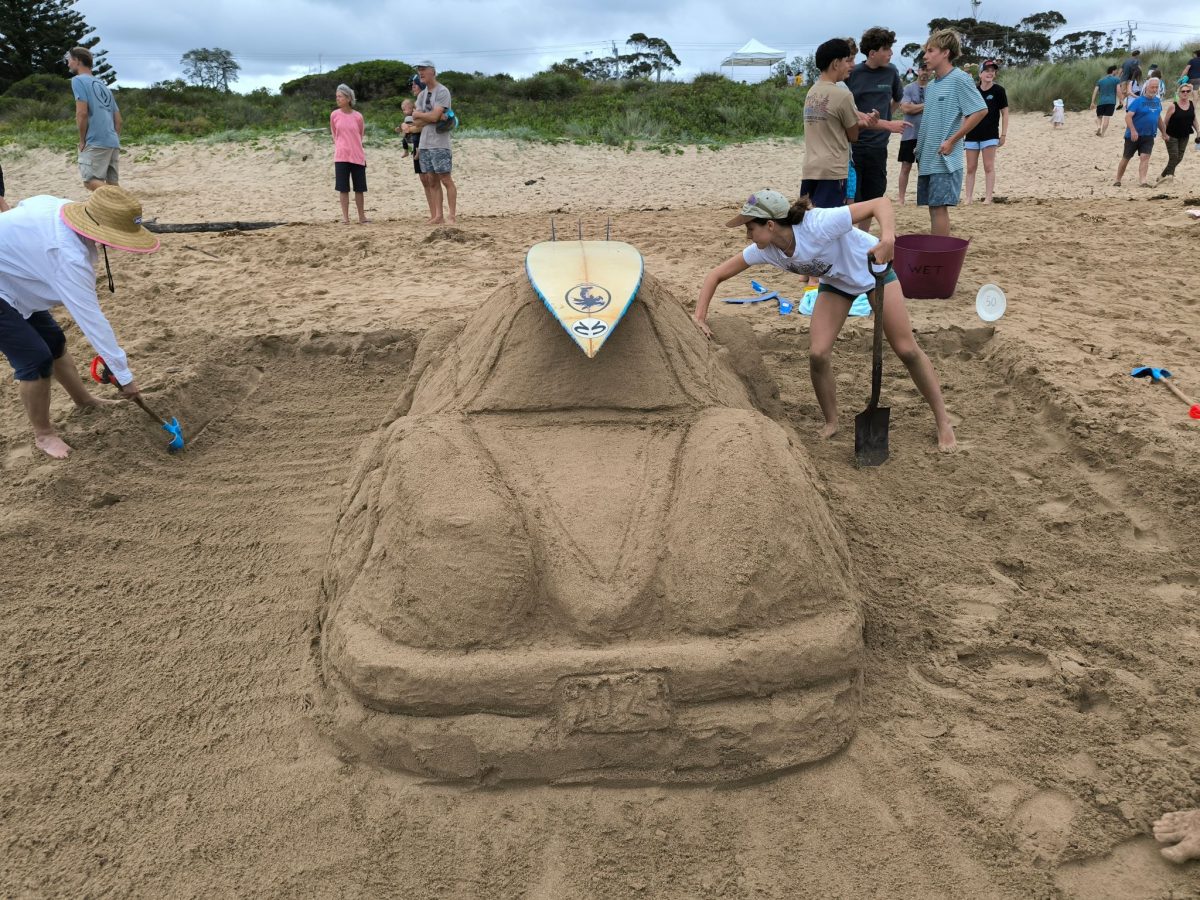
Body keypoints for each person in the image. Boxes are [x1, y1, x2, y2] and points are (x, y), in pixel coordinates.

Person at [693, 189, 956, 451]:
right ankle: (832, 421)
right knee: (818, 354)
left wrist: (887, 238)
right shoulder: (766, 250)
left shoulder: (818, 224)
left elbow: (880, 203)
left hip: (873, 272)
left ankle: (943, 422)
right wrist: (699, 318)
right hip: (837, 284)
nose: (747, 235)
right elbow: (716, 275)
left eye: (750, 228)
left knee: (906, 349)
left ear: (770, 225)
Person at [0, 186, 158, 459]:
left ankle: (84, 401)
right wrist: (124, 376)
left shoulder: (59, 205)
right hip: (7, 284)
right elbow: (91, 320)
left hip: (15, 278)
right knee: (35, 359)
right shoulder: (66, 256)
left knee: (54, 342)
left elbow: (24, 208)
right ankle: (44, 434)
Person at [914, 29, 987, 236]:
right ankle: (938, 253)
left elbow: (980, 110)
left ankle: (939, 255)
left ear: (945, 53)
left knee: (939, 208)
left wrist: (953, 140)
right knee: (932, 207)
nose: (925, 56)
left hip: (945, 159)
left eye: (930, 51)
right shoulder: (931, 86)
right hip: (928, 157)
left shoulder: (959, 79)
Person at [801, 39, 864, 211]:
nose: (849, 65)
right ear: (836, 63)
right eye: (846, 61)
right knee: (831, 224)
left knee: (810, 220)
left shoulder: (811, 92)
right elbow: (854, 135)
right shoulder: (843, 95)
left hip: (811, 167)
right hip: (833, 170)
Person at [846, 26, 906, 203]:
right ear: (872, 53)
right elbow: (845, 108)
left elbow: (897, 99)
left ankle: (864, 232)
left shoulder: (891, 72)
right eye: (886, 49)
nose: (891, 53)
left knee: (874, 197)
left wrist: (885, 120)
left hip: (879, 146)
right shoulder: (852, 73)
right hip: (854, 146)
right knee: (853, 197)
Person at [66, 46, 121, 191]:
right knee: (112, 185)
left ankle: (127, 207)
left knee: (90, 181)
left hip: (95, 141)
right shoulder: (104, 86)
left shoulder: (78, 80)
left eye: (69, 60)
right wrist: (113, 138)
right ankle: (125, 211)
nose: (68, 64)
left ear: (77, 60)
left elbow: (81, 113)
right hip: (112, 141)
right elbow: (118, 119)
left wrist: (82, 140)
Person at [410, 61, 457, 225]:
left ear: (433, 72)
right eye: (418, 70)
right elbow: (418, 121)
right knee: (431, 180)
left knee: (445, 178)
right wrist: (426, 116)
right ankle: (438, 216)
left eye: (423, 70)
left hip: (440, 142)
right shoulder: (421, 95)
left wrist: (422, 115)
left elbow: (432, 117)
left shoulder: (442, 91)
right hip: (424, 143)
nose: (420, 73)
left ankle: (451, 215)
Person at [963, 60, 1009, 204]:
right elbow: (966, 114)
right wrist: (961, 133)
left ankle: (988, 197)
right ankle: (968, 198)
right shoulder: (973, 90)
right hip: (972, 134)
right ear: (980, 74)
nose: (990, 73)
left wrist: (1003, 134)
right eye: (987, 70)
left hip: (990, 134)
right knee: (970, 168)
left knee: (988, 166)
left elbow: (1005, 113)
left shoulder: (999, 91)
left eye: (992, 71)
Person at [1114, 77, 1163, 187]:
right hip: (1133, 135)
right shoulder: (1138, 101)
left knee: (1145, 157)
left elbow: (1158, 118)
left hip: (1149, 135)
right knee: (1126, 158)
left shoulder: (1157, 101)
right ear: (1146, 87)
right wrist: (1133, 130)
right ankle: (1118, 179)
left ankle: (1143, 181)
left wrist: (1164, 132)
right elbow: (1128, 117)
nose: (1154, 89)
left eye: (1156, 87)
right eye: (1152, 87)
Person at [330, 84, 368, 225]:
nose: (337, 99)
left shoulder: (358, 116)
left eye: (340, 96)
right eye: (337, 97)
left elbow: (360, 135)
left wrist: (353, 147)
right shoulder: (334, 115)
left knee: (359, 189)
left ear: (348, 98)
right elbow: (334, 133)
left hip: (357, 156)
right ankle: (345, 218)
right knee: (343, 188)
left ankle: (362, 217)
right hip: (341, 156)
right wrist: (341, 146)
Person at [897, 63, 930, 205]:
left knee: (924, 168)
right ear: (918, 71)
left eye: (927, 69)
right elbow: (905, 108)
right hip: (910, 133)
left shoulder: (934, 88)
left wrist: (915, 107)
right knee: (906, 166)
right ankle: (901, 198)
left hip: (927, 135)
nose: (925, 72)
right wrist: (927, 105)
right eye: (922, 69)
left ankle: (923, 198)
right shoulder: (909, 88)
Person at [1157, 82, 1197, 183]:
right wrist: (1163, 133)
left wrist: (1199, 131)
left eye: (1188, 91)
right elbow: (1165, 121)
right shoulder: (1173, 106)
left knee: (1179, 157)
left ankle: (1162, 175)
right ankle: (1170, 175)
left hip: (1185, 135)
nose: (1185, 93)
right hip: (1171, 134)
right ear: (1179, 93)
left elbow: (1193, 120)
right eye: (1183, 91)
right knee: (1174, 156)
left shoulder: (1192, 104)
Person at [1091, 65, 1121, 136]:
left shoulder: (1100, 80)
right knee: (1107, 118)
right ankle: (1103, 133)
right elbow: (1118, 91)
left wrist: (1092, 102)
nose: (1117, 72)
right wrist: (1121, 100)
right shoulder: (1116, 79)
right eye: (1116, 70)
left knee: (1099, 117)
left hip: (1101, 102)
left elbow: (1095, 91)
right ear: (1113, 71)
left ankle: (1098, 127)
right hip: (1111, 102)